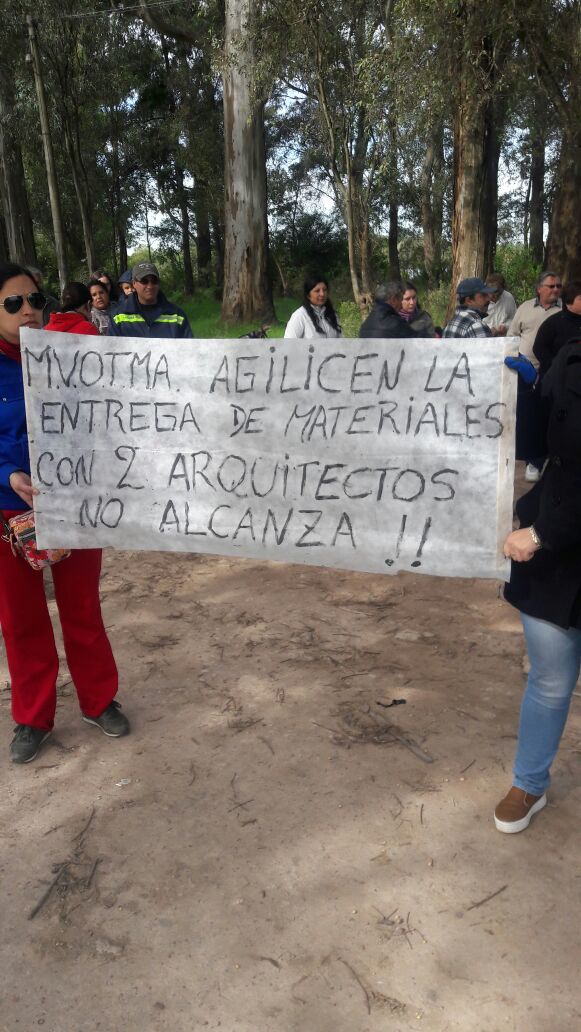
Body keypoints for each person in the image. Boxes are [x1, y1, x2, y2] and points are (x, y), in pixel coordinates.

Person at [0, 263, 129, 764]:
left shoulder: (69, 355)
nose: (28, 311)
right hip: (10, 513)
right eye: (13, 304)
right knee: (21, 619)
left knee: (83, 608)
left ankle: (99, 700)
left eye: (35, 300)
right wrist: (8, 474)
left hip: (76, 502)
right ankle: (33, 717)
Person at [496, 336, 581, 833]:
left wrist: (544, 532)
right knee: (549, 681)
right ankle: (529, 782)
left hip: (551, 535)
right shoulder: (570, 355)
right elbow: (535, 449)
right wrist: (526, 394)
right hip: (554, 563)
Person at [112, 262, 192, 339]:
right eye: (144, 281)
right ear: (134, 283)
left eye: (154, 281)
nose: (150, 286)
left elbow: (188, 349)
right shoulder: (118, 317)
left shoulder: (177, 315)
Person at [533, 280, 581, 379]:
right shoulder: (553, 323)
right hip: (557, 380)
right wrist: (557, 366)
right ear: (569, 301)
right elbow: (539, 348)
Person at [284, 274, 342, 339]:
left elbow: (341, 343)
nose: (322, 294)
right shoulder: (300, 316)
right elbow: (289, 345)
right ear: (308, 295)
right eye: (317, 291)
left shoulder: (333, 315)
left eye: (324, 290)